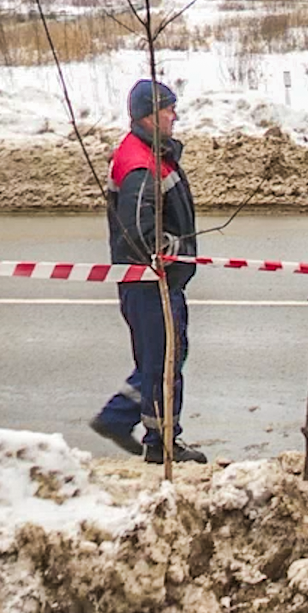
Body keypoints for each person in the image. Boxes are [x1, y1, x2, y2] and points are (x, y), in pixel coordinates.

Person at [88, 79, 207, 465]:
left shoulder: (150, 153)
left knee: (164, 357)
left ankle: (154, 435)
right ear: (149, 115)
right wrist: (171, 256)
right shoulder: (140, 163)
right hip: (149, 282)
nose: (175, 115)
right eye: (169, 108)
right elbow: (139, 231)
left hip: (153, 281)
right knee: (162, 359)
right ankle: (139, 430)